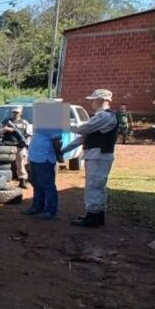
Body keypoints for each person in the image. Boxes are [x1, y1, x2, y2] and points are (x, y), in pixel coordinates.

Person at [63, 89, 118, 227]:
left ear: (101, 100)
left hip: (99, 156)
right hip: (96, 155)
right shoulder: (100, 117)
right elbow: (84, 138)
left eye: (93, 100)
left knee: (94, 185)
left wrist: (63, 123)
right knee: (96, 185)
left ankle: (93, 216)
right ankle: (95, 215)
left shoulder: (105, 116)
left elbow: (83, 129)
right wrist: (64, 150)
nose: (91, 103)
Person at [21, 114, 64, 220]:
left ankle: (51, 210)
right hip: (35, 158)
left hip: (45, 159)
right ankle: (37, 207)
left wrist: (59, 154)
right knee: (36, 183)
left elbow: (57, 141)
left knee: (47, 184)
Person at [0, 106, 31, 189]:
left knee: (20, 164)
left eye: (17, 112)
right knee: (4, 165)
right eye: (14, 112)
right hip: (7, 146)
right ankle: (3, 181)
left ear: (21, 113)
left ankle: (23, 181)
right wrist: (5, 129)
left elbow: (28, 135)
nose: (15, 114)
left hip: (19, 146)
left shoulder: (25, 123)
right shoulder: (6, 122)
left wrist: (25, 144)